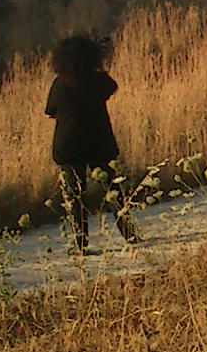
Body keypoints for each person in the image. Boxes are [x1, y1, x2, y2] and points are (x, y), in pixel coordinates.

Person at [44, 34, 139, 253]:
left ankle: (80, 243)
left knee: (76, 197)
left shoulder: (59, 85)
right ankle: (129, 233)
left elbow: (51, 112)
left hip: (68, 146)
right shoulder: (99, 81)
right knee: (113, 190)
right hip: (98, 143)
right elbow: (111, 88)